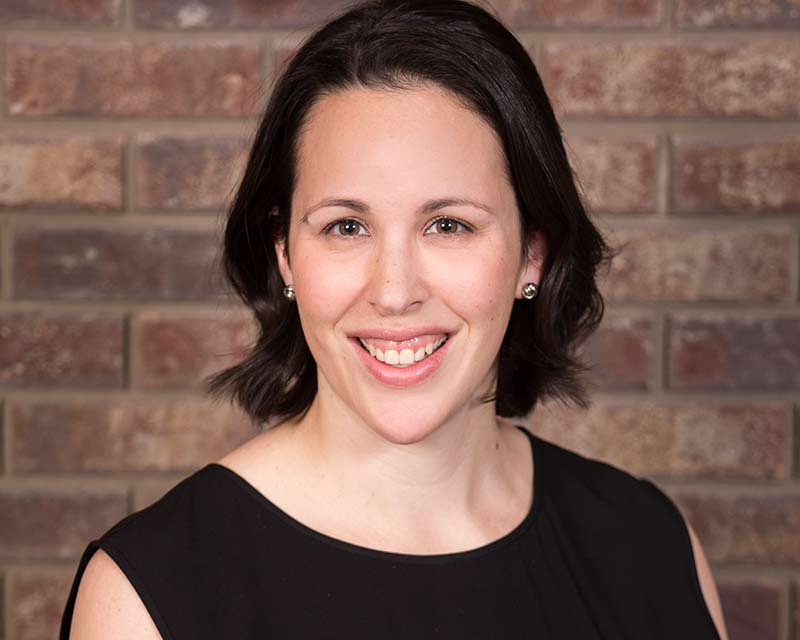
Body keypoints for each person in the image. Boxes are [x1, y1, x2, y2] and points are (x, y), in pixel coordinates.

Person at [60, 1, 729, 638]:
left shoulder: (649, 547)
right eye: (347, 226)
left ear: (533, 252)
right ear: (286, 255)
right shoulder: (147, 594)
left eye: (448, 224)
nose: (394, 290)